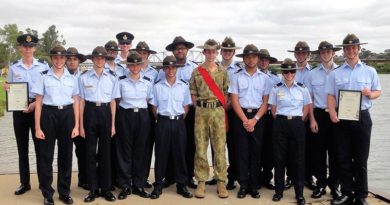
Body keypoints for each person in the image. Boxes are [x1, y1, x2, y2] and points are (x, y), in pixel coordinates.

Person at [326, 34, 381, 205]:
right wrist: (332, 113)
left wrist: (369, 94)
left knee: (361, 158)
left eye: (353, 47)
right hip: (342, 118)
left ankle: (361, 195)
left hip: (362, 118)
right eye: (347, 48)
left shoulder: (369, 71)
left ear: (359, 49)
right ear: (343, 50)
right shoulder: (336, 73)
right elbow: (330, 95)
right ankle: (347, 193)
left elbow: (377, 91)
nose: (350, 50)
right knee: (343, 157)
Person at [3, 34, 49, 195]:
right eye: (25, 46)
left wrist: (35, 104)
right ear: (21, 48)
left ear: (35, 48)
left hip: (38, 109)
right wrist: (6, 88)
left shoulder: (43, 66)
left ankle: (44, 183)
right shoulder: (14, 67)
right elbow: (9, 85)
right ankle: (25, 183)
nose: (28, 49)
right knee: (22, 148)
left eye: (31, 46)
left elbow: (47, 90)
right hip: (19, 111)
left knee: (40, 148)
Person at [33, 45, 79, 205]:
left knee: (66, 155)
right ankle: (47, 193)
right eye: (55, 57)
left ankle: (64, 192)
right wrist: (38, 127)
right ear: (51, 59)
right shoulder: (43, 76)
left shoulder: (72, 79)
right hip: (48, 115)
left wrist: (77, 126)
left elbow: (76, 103)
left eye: (62, 57)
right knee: (46, 156)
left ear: (66, 59)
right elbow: (38, 103)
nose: (59, 60)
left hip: (67, 116)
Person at [229, 44, 271, 198]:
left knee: (256, 152)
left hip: (258, 118)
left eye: (254, 56)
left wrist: (254, 120)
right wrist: (245, 120)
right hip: (240, 116)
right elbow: (234, 101)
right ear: (244, 59)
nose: (251, 59)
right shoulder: (236, 76)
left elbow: (265, 102)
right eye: (247, 56)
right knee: (241, 152)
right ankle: (243, 185)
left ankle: (254, 185)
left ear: (258, 58)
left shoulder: (265, 78)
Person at [79, 46, 120, 202]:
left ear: (105, 59)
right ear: (92, 59)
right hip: (89, 112)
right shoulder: (84, 77)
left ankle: (106, 188)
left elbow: (113, 102)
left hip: (105, 113)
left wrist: (113, 124)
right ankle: (93, 189)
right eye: (96, 58)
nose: (99, 60)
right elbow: (81, 102)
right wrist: (81, 125)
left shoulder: (112, 77)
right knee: (90, 153)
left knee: (105, 153)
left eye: (102, 58)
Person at [149, 55, 193, 199]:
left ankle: (181, 185)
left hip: (179, 122)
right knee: (161, 154)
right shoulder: (157, 87)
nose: (170, 70)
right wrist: (163, 119)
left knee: (180, 153)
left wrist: (178, 119)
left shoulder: (183, 86)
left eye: (173, 67)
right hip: (163, 122)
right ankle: (158, 185)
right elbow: (154, 107)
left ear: (176, 68)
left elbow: (186, 106)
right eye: (167, 67)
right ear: (164, 69)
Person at [269, 58, 311, 205]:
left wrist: (298, 120)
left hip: (297, 124)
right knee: (279, 159)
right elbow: (273, 110)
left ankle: (299, 194)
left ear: (295, 72)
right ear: (282, 72)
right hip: (280, 123)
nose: (289, 74)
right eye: (286, 71)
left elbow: (306, 108)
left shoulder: (302, 88)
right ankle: (278, 191)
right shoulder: (276, 88)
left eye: (291, 71)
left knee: (298, 160)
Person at [190, 39, 229, 198]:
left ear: (217, 53)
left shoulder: (223, 72)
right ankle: (201, 181)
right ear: (204, 52)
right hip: (201, 112)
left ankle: (221, 181)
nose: (211, 54)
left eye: (214, 51)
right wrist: (200, 106)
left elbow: (225, 93)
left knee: (219, 147)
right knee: (200, 146)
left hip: (218, 112)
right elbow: (193, 93)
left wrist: (218, 107)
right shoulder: (197, 72)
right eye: (208, 51)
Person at [307, 41, 342, 200]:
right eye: (322, 52)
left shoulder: (341, 72)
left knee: (336, 152)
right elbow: (310, 99)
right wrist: (312, 119)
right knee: (318, 152)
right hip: (319, 114)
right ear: (319, 54)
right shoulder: (312, 74)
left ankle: (335, 186)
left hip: (336, 115)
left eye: (328, 52)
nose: (326, 54)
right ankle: (320, 183)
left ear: (333, 53)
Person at [115, 52, 153, 200]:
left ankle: (138, 184)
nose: (135, 67)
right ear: (128, 66)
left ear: (140, 65)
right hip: (125, 115)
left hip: (143, 116)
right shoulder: (121, 81)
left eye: (137, 64)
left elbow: (150, 100)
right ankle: (125, 185)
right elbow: (117, 100)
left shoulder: (148, 81)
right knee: (124, 151)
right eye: (132, 64)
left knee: (141, 151)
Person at [162, 36, 198, 189]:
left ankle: (188, 176)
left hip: (190, 111)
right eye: (177, 48)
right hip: (170, 112)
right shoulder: (164, 69)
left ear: (187, 50)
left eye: (183, 48)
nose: (180, 50)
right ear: (173, 51)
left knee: (189, 145)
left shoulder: (195, 68)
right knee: (169, 145)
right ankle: (170, 176)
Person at [130, 41, 158, 189]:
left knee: (146, 147)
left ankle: (143, 177)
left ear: (148, 55)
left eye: (144, 53)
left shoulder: (155, 73)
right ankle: (128, 178)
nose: (141, 55)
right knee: (130, 147)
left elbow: (156, 94)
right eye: (139, 53)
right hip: (131, 109)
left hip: (148, 110)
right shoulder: (130, 68)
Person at [288, 41, 316, 190]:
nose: (300, 55)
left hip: (308, 115)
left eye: (303, 53)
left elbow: (311, 97)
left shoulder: (313, 73)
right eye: (298, 53)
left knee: (309, 148)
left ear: (308, 55)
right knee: (290, 148)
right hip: (292, 116)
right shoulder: (288, 70)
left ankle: (308, 177)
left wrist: (309, 117)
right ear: (294, 55)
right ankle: (290, 177)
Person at [219, 36, 242, 190]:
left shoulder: (239, 69)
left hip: (232, 111)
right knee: (217, 146)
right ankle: (218, 176)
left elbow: (238, 92)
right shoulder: (213, 67)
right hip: (215, 111)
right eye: (224, 50)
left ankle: (232, 176)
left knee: (233, 146)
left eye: (230, 50)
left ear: (233, 52)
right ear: (221, 51)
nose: (227, 53)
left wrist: (227, 106)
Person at [65, 47, 89, 190]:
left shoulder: (85, 76)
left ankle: (83, 179)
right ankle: (65, 183)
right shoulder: (61, 75)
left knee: (83, 151)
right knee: (66, 152)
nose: (72, 62)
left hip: (82, 118)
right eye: (69, 59)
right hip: (66, 117)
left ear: (79, 61)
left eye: (75, 59)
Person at [257, 48, 279, 190]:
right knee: (256, 147)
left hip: (270, 116)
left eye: (266, 60)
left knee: (270, 148)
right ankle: (256, 177)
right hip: (257, 115)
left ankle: (267, 177)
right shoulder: (254, 76)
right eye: (262, 59)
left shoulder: (276, 79)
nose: (264, 62)